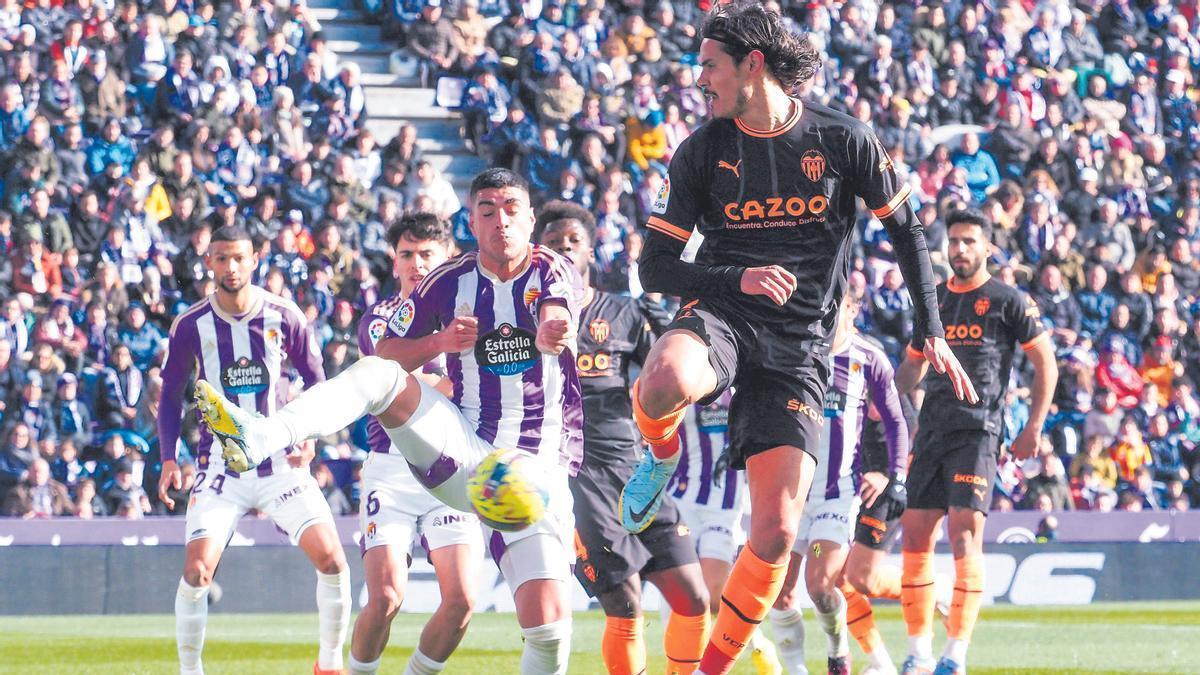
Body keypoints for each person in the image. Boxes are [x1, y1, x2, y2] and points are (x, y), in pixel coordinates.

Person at [616, 4, 973, 672]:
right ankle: (658, 453)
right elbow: (655, 268)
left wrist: (932, 331)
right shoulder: (701, 151)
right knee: (661, 381)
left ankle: (710, 670)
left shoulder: (844, 139)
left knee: (777, 534)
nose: (700, 81)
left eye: (709, 67)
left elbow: (909, 233)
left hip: (803, 344)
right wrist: (738, 275)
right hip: (722, 315)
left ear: (753, 65)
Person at [194, 168, 583, 675]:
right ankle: (261, 433)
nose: (501, 221)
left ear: (531, 219)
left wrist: (555, 326)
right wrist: (438, 343)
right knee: (378, 373)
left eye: (511, 209)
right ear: (471, 221)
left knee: (548, 629)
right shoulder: (449, 282)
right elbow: (388, 348)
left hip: (533, 468)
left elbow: (558, 307)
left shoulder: (552, 267)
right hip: (463, 449)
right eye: (487, 211)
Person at [156, 225, 351, 675]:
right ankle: (190, 671)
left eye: (239, 258)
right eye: (221, 258)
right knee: (197, 572)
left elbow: (318, 382)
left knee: (333, 560)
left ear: (255, 259)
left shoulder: (285, 316)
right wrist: (169, 456)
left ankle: (330, 663)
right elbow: (170, 395)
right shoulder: (191, 324)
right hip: (221, 469)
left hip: (281, 462)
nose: (231, 267)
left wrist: (311, 436)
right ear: (209, 262)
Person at [536, 201, 711, 674]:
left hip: (635, 468)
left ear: (591, 250)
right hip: (576, 473)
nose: (565, 249)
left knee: (694, 600)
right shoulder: (527, 317)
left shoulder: (623, 312)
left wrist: (665, 323)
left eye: (573, 241)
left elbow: (664, 373)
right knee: (626, 604)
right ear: (540, 254)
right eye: (554, 244)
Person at [895, 209, 1058, 675]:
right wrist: (886, 387)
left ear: (987, 248)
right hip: (932, 430)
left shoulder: (1009, 301)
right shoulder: (934, 304)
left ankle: (955, 657)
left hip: (979, 430)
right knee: (914, 535)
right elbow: (912, 368)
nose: (960, 249)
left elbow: (1046, 363)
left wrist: (1034, 428)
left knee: (963, 531)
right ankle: (918, 654)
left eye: (969, 241)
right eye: (954, 241)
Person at [348, 212, 482, 675]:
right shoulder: (381, 321)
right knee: (385, 598)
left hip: (453, 469)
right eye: (406, 254)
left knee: (463, 599)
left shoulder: (474, 311)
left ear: (447, 255)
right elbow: (410, 386)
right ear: (394, 261)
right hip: (391, 468)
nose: (416, 263)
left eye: (427, 253)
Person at [769, 293, 911, 675]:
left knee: (819, 586)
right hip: (790, 495)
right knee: (779, 595)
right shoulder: (794, 350)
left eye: (837, 303)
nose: (826, 311)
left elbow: (898, 420)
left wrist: (895, 474)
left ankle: (838, 653)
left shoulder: (868, 358)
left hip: (837, 494)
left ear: (852, 308)